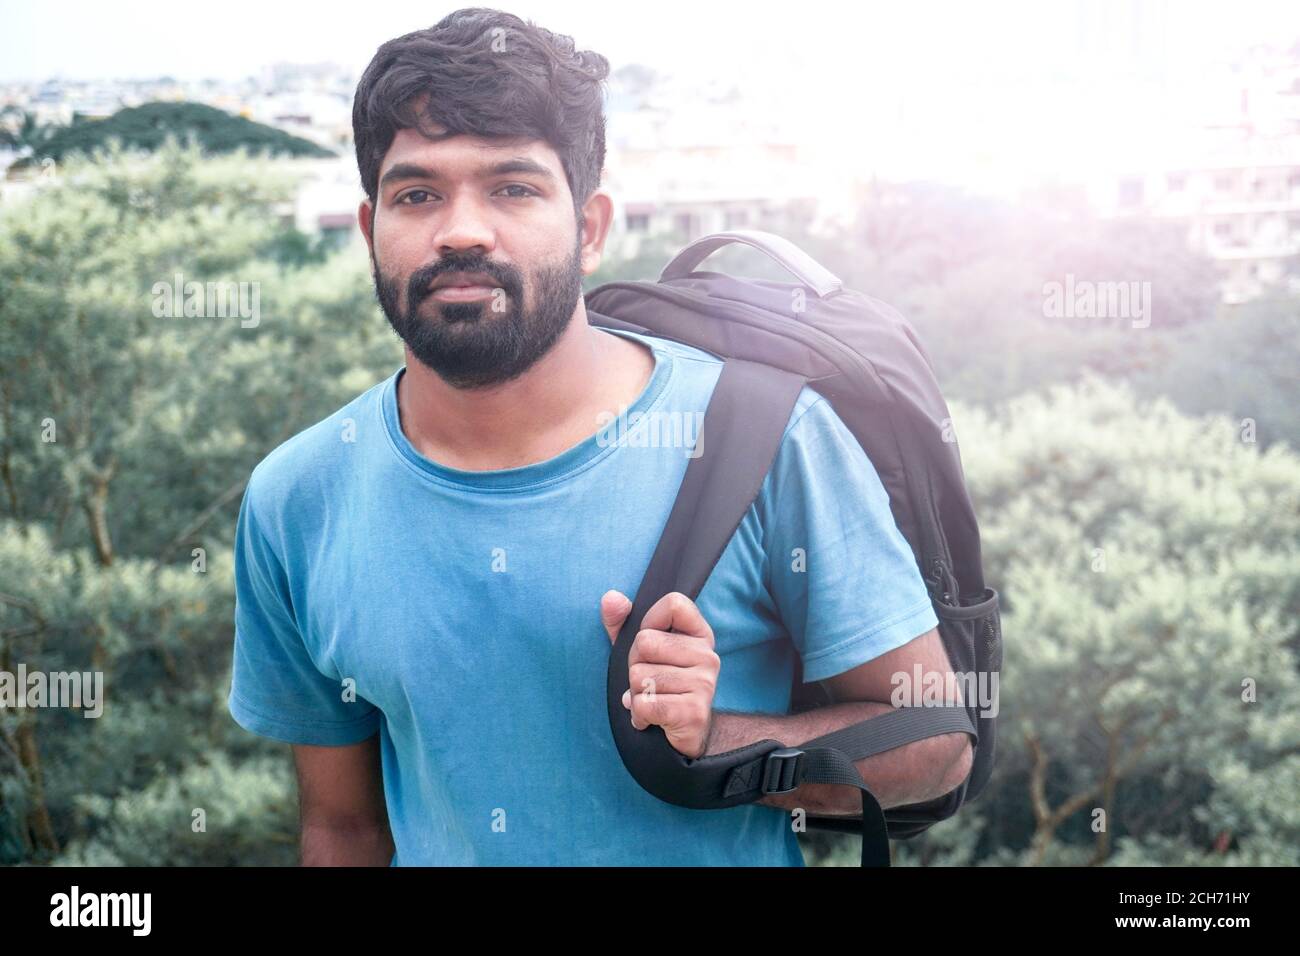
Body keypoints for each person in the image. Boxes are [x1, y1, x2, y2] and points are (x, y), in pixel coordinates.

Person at [227, 7, 971, 866]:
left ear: (588, 229)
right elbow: (343, 828)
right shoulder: (299, 498)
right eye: (417, 193)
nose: (462, 229)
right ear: (371, 231)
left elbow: (936, 746)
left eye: (513, 187)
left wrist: (723, 740)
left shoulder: (768, 440)